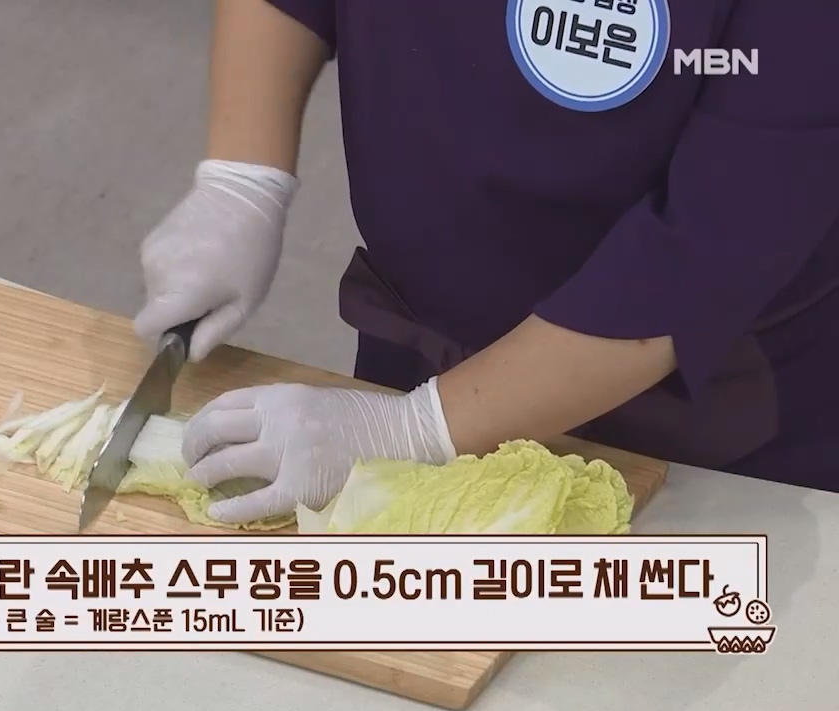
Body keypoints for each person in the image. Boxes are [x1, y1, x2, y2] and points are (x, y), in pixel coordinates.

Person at [131, 0, 839, 525]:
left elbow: (702, 252)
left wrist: (410, 431)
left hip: (701, 427)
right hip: (419, 359)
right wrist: (243, 178)